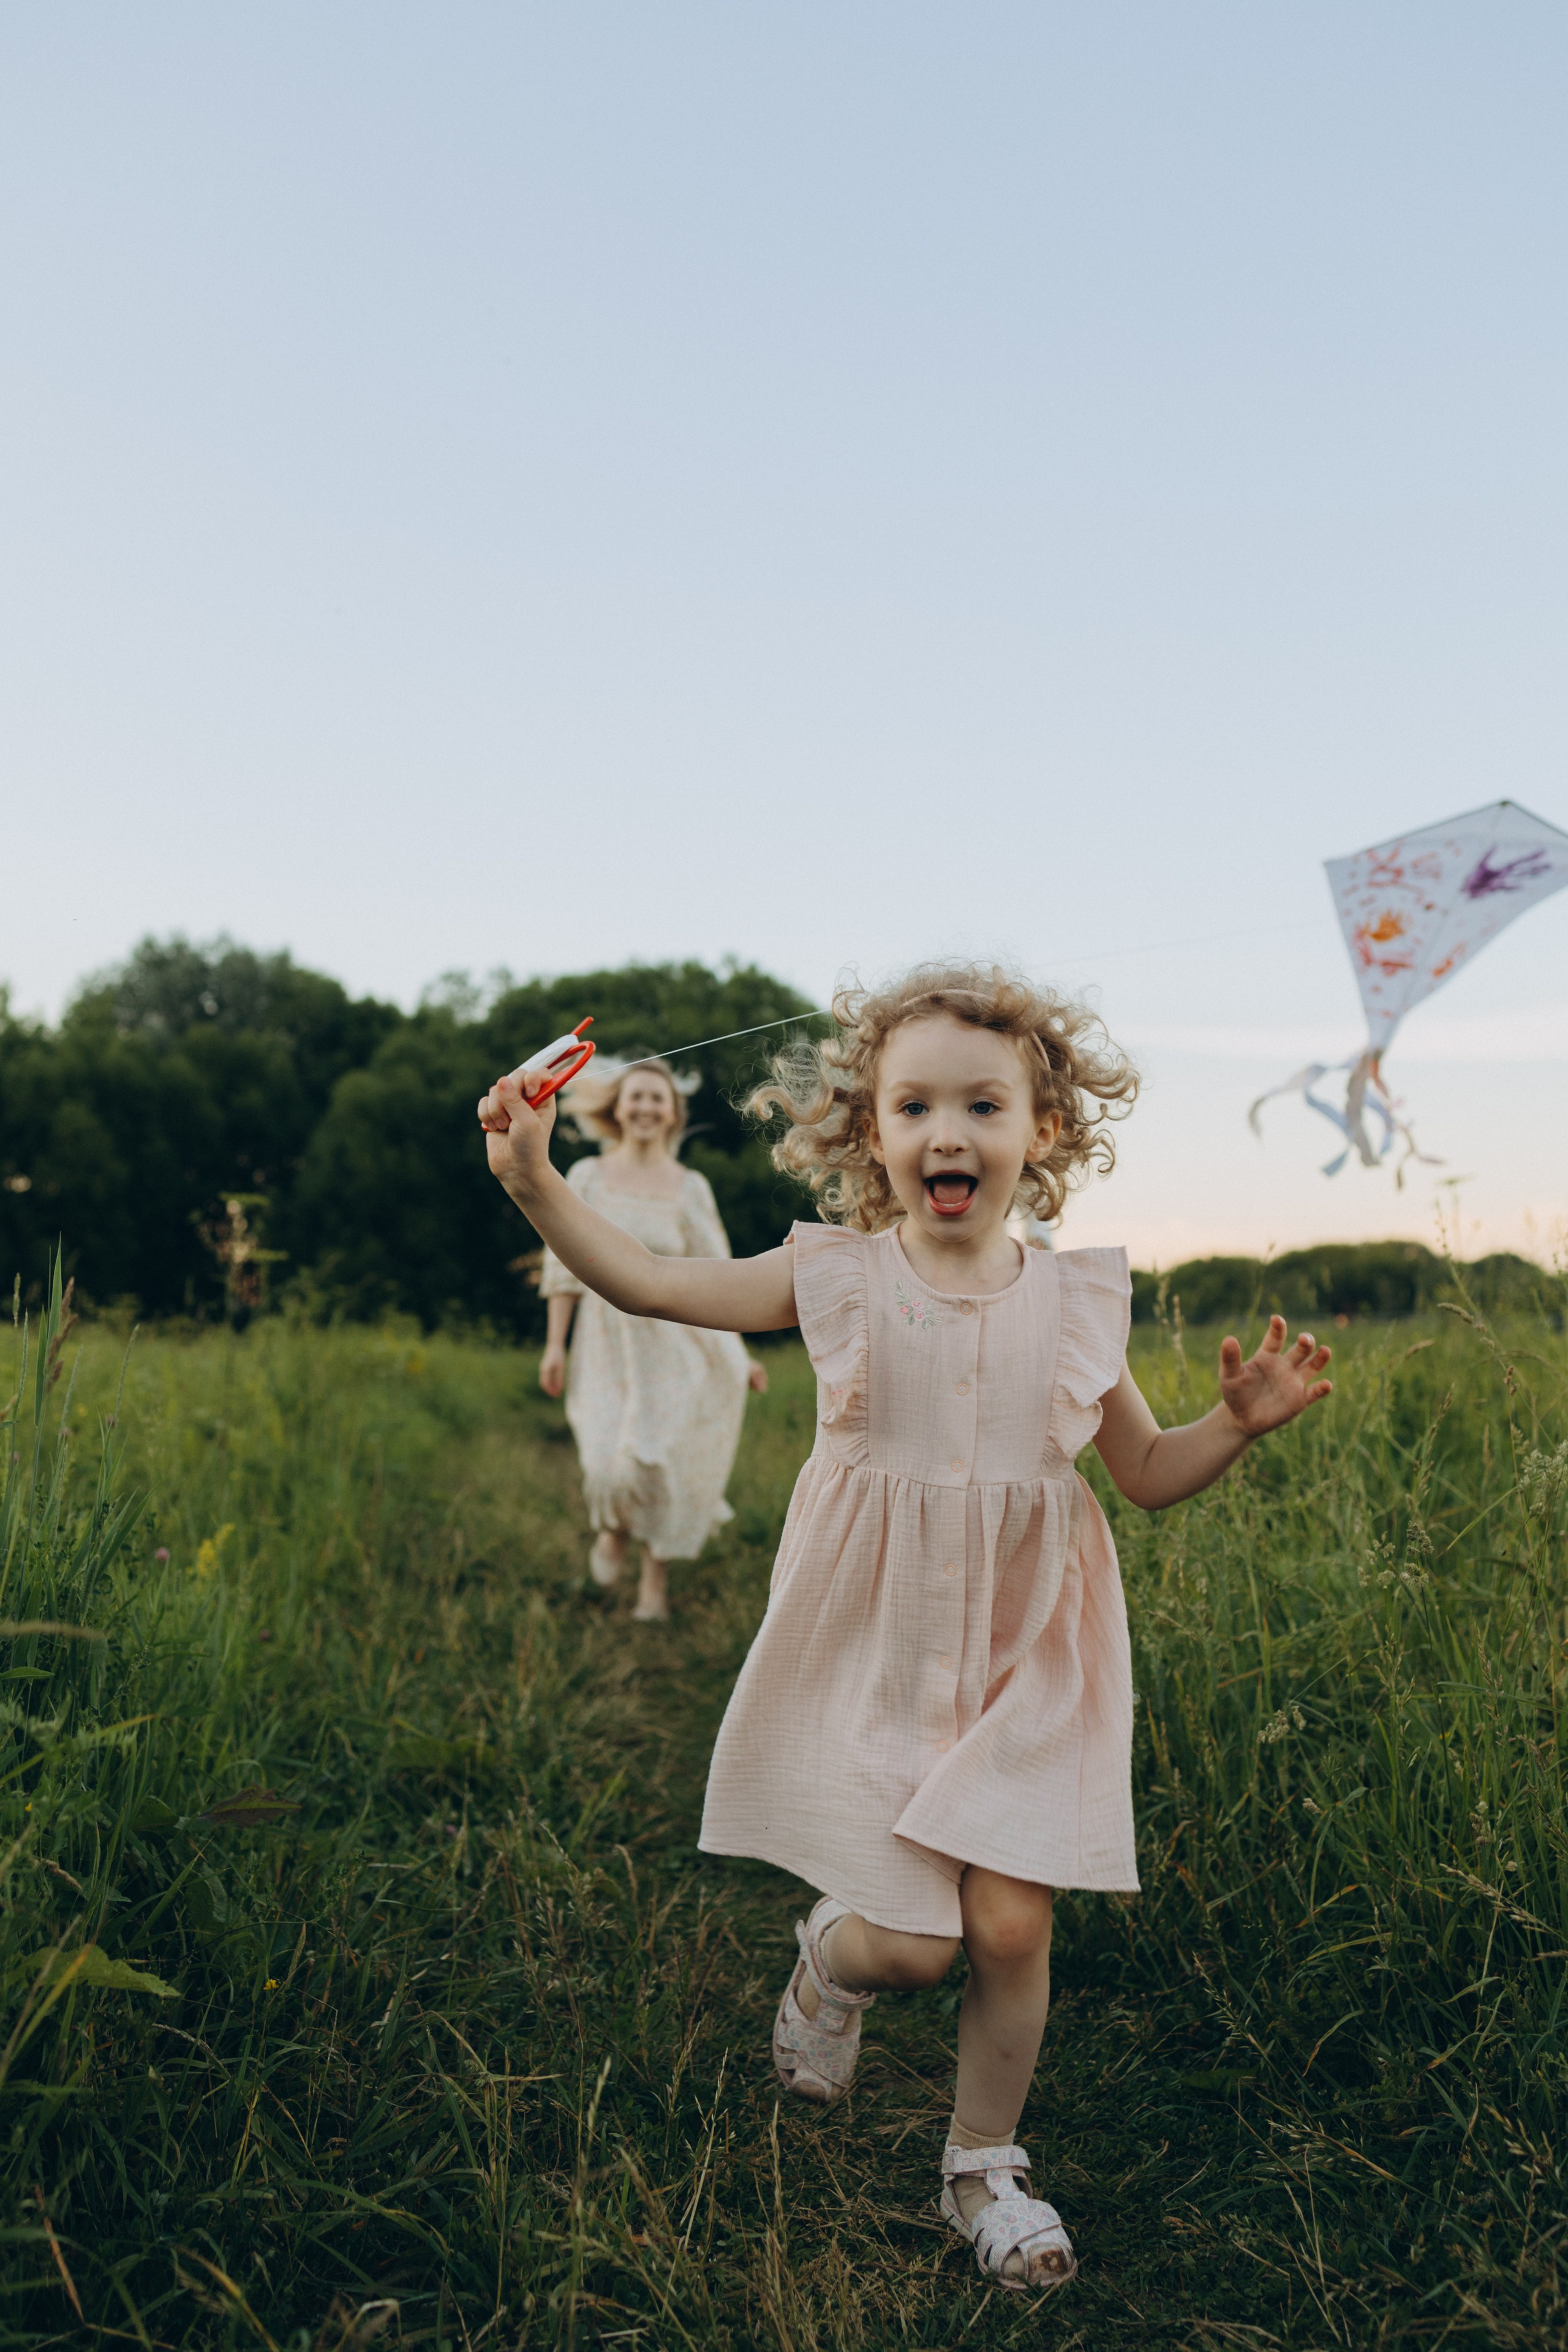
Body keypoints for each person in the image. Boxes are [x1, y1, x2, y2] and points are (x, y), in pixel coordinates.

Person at [480, 964, 1332, 2293]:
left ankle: (982, 2164)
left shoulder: (1076, 1303)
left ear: (1038, 1133)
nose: (948, 1131)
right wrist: (537, 1182)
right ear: (867, 1132)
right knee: (919, 1947)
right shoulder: (831, 1276)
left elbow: (1148, 1474)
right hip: (875, 1644)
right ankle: (832, 1956)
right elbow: (646, 1281)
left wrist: (1229, 1424)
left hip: (1029, 1655)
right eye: (914, 1104)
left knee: (1006, 1928)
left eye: (983, 1105)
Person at [535, 1055, 767, 1623]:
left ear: (673, 1113)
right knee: (606, 1462)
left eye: (656, 1098)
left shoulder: (691, 1188)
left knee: (658, 1462)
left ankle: (653, 1588)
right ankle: (612, 1526)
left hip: (674, 1346)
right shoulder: (587, 1175)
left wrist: (740, 1353)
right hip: (603, 1344)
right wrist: (554, 1345)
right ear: (617, 1107)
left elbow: (721, 1273)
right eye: (634, 1096)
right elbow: (563, 1266)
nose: (644, 1106)